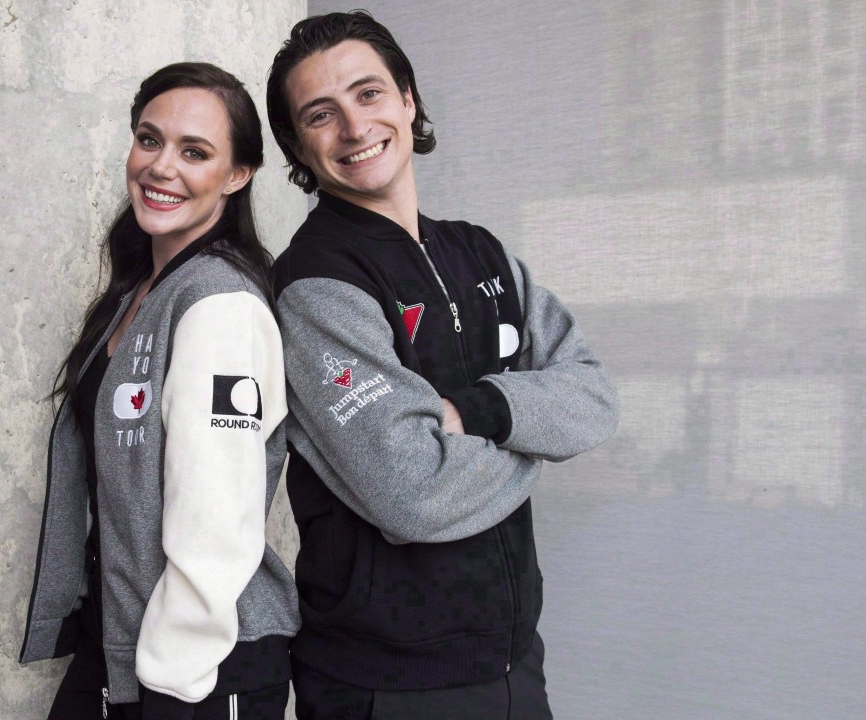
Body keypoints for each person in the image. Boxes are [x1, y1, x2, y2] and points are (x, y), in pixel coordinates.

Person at [264, 11, 620, 719]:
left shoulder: (480, 253)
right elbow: (413, 491)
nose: (355, 128)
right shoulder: (318, 286)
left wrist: (484, 411)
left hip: (516, 659)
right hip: (386, 684)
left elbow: (596, 399)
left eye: (369, 95)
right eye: (320, 114)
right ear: (298, 146)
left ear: (408, 99)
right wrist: (536, 438)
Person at [19, 62, 298, 720]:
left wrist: (170, 681)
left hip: (200, 667)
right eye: (150, 140)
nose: (160, 166)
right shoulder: (143, 291)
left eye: (194, 152)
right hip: (126, 642)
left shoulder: (219, 307)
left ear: (237, 175)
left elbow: (217, 522)